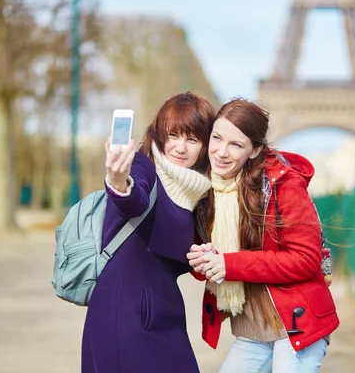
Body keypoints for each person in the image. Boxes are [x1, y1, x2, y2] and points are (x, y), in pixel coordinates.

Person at [187, 98, 339, 372]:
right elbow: (208, 273)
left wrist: (229, 264)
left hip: (296, 326)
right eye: (217, 138)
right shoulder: (206, 191)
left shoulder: (285, 185)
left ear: (255, 150)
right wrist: (206, 260)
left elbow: (305, 260)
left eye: (236, 144)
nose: (221, 152)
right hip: (254, 331)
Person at [81, 92, 216, 373]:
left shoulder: (198, 192)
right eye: (173, 135)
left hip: (165, 313)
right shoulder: (143, 168)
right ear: (159, 134)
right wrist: (118, 181)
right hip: (125, 314)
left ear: (204, 146)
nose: (180, 147)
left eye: (192, 139)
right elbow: (134, 198)